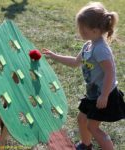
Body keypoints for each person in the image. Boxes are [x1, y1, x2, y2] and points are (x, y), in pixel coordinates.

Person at [42, 2, 125, 150]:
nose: (79, 31)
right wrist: (54, 56)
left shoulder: (101, 49)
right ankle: (86, 145)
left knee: (92, 127)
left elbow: (110, 72)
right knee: (81, 119)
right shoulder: (88, 45)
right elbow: (75, 62)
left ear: (94, 30)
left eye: (82, 28)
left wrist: (104, 95)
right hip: (93, 94)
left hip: (104, 95)